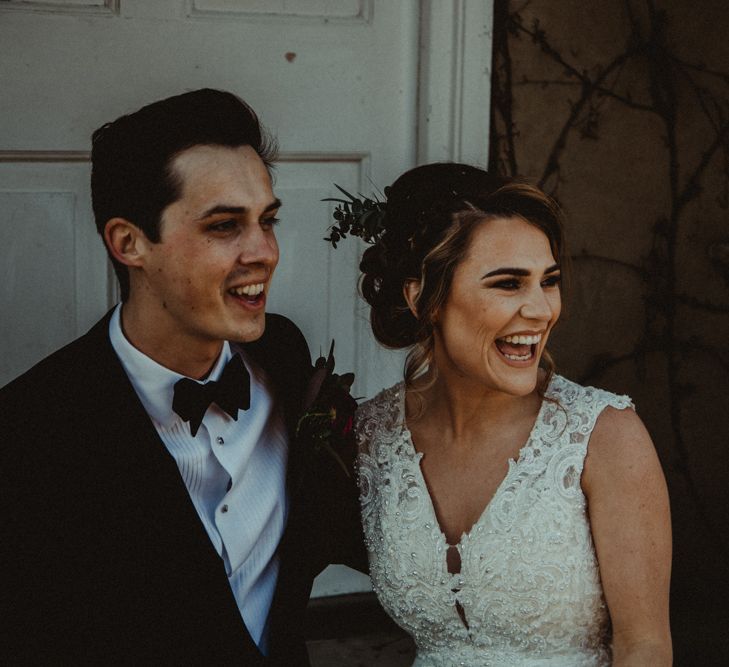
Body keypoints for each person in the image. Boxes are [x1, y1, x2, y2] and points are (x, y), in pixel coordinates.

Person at [0, 89, 364, 665]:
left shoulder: (285, 356)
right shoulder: (28, 432)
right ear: (129, 242)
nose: (264, 251)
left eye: (266, 220)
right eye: (224, 226)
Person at [349, 163, 672, 665]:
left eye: (549, 281)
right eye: (507, 284)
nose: (541, 310)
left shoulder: (604, 438)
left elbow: (645, 646)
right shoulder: (371, 436)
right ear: (423, 297)